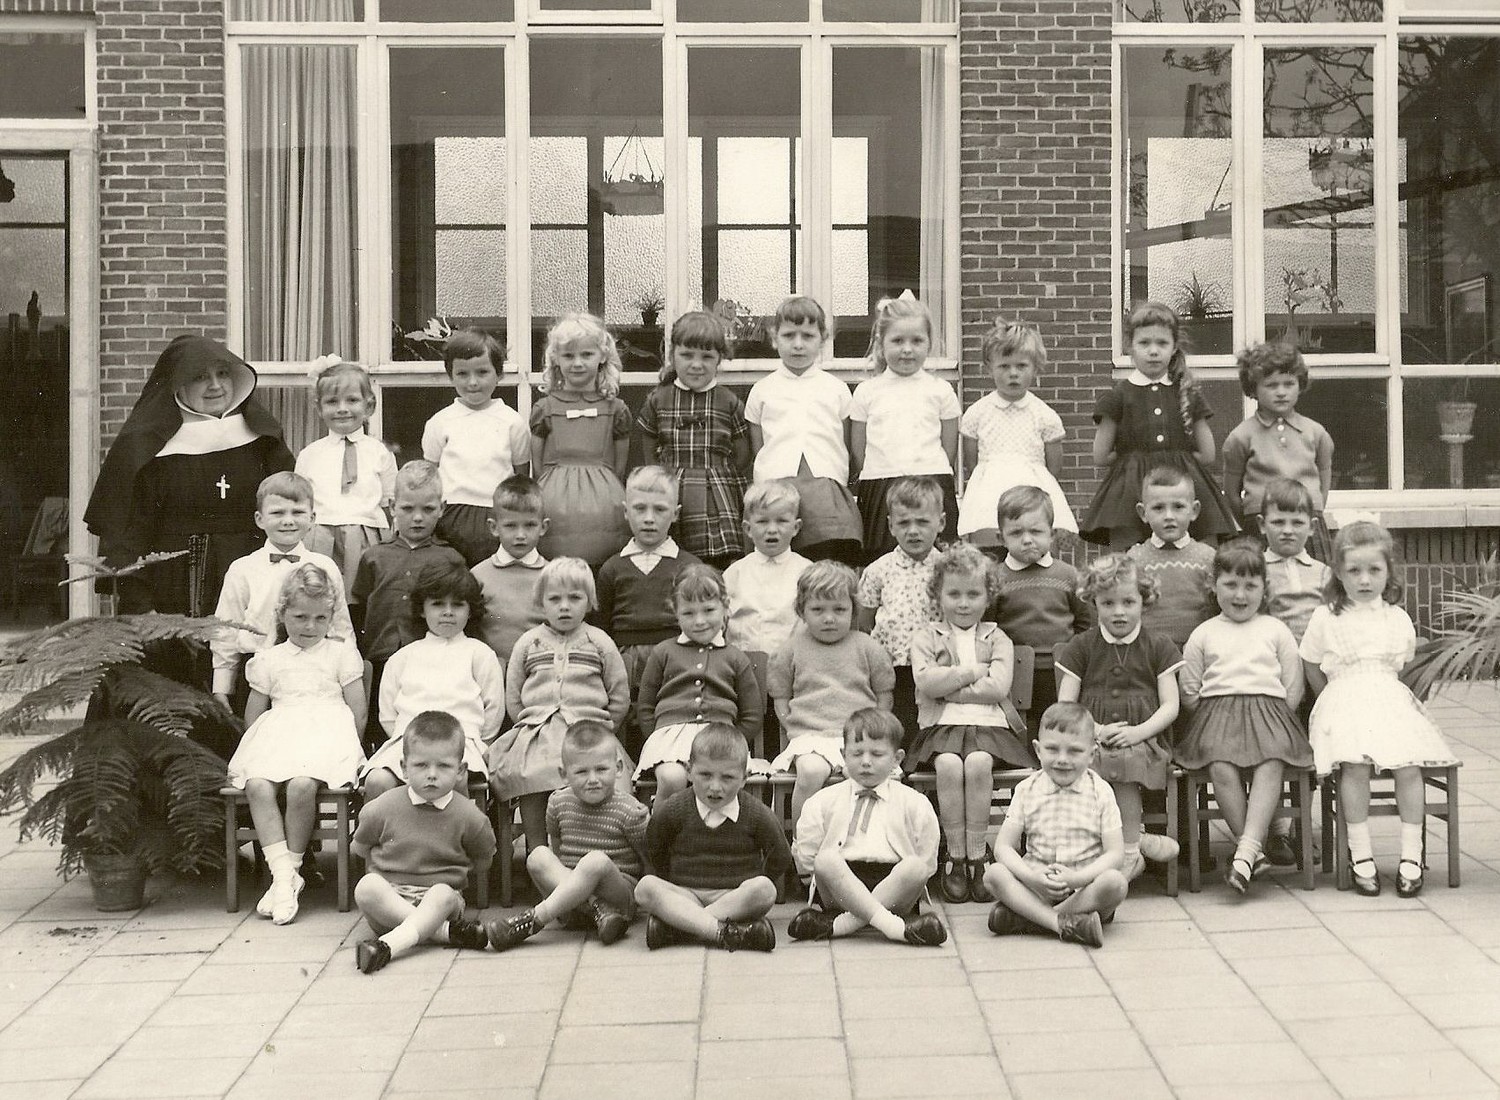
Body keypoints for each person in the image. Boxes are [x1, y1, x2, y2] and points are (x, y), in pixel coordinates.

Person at [1301, 521, 1458, 898]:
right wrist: (1329, 697)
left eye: (1374, 570)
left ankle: (1411, 856)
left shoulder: (1396, 617)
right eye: (1354, 570)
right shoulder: (1326, 617)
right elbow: (1309, 662)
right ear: (1338, 573)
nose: (1364, 579)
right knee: (1355, 765)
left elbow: (1401, 665)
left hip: (1387, 700)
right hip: (1343, 702)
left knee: (1408, 766)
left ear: (1388, 571)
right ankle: (1361, 855)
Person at [85, 335, 293, 617]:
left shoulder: (263, 440)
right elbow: (128, 535)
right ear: (178, 385)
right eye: (200, 377)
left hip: (252, 584)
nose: (216, 385)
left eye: (222, 374)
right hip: (172, 588)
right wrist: (140, 605)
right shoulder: (146, 448)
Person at [226, 564, 367, 925]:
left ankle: (288, 874)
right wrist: (256, 751)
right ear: (282, 613)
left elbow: (358, 710)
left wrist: (348, 752)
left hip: (327, 732)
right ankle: (284, 877)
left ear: (330, 618)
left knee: (302, 785)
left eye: (320, 618)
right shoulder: (268, 659)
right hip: (280, 731)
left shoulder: (340, 654)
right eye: (300, 617)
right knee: (258, 785)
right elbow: (254, 714)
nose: (310, 626)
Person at [1175, 539, 1311, 894]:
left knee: (1272, 761)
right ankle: (1251, 852)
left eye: (1250, 585)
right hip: (1217, 714)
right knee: (1219, 764)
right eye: (1230, 584)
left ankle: (1246, 852)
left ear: (1264, 589)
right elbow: (1189, 688)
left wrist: (1277, 717)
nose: (1240, 594)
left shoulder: (1275, 629)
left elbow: (1293, 684)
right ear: (1214, 585)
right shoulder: (1204, 632)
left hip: (1269, 712)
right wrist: (1211, 716)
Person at [910, 541, 1032, 904]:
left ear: (988, 596)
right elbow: (926, 682)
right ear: (938, 595)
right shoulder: (926, 637)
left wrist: (949, 687)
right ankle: (955, 856)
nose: (963, 603)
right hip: (941, 729)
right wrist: (974, 671)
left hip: (990, 728)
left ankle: (978, 855)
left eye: (973, 594)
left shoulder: (998, 638)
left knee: (978, 763)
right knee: (948, 765)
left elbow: (998, 688)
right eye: (954, 594)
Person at [1055, 554, 1183, 883]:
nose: (1119, 612)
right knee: (1085, 765)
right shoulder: (1082, 646)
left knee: (1124, 760)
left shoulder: (1159, 645)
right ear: (1093, 602)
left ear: (1144, 600)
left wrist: (1139, 732)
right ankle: (1134, 841)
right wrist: (1096, 730)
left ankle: (1128, 854)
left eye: (1128, 602)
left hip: (1145, 739)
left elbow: (1170, 705)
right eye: (1108, 603)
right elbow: (1066, 703)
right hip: (1091, 736)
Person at [492, 557, 630, 854]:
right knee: (531, 775)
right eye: (554, 599)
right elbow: (514, 694)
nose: (564, 607)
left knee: (593, 776)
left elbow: (618, 693)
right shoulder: (529, 642)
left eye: (575, 598)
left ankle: (582, 851)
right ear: (541, 603)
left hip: (588, 730)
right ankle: (537, 850)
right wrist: (530, 724)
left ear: (590, 602)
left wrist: (604, 729)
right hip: (538, 731)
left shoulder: (598, 641)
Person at [1079, 301, 1237, 550]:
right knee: (1128, 555)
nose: (1153, 351)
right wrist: (1134, 460)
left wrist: (1154, 458)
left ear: (1174, 348)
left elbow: (1208, 454)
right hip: (1131, 492)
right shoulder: (1116, 397)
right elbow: (1100, 455)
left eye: (1162, 343)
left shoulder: (1188, 393)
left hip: (1182, 485)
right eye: (1144, 343)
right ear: (1130, 347)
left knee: (1202, 550)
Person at [351, 711, 495, 974]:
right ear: (404, 767)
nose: (432, 775)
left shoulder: (470, 816)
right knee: (366, 886)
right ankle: (445, 933)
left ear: (461, 770)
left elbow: (483, 860)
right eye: (421, 766)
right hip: (389, 903)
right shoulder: (381, 808)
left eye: (444, 766)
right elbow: (360, 849)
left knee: (442, 893)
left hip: (439, 904)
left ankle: (391, 944)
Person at [788, 709, 947, 946]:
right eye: (856, 753)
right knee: (825, 860)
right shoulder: (823, 800)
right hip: (841, 886)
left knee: (916, 867)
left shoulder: (915, 802)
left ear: (897, 759)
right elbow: (808, 854)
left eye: (877, 754)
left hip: (895, 886)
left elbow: (928, 854)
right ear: (843, 755)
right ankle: (894, 927)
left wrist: (912, 873)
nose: (865, 761)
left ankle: (840, 925)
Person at [485, 721, 649, 949]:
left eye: (601, 769)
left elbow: (648, 861)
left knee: (595, 861)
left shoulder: (631, 811)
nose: (593, 779)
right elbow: (559, 850)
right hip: (572, 905)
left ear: (618, 767)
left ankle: (535, 919)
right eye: (581, 771)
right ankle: (595, 908)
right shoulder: (558, 803)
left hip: (619, 902)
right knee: (538, 855)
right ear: (563, 774)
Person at [982, 702, 1129, 947]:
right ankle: (1061, 923)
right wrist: (1032, 878)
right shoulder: (1027, 789)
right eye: (1052, 749)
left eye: (1074, 751)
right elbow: (1003, 847)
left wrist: (1078, 878)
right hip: (1036, 886)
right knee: (993, 874)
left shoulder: (1101, 791)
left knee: (1115, 883)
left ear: (1092, 754)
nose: (1062, 759)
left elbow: (1115, 854)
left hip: (1084, 890)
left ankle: (1029, 918)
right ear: (1038, 750)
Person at [634, 725, 793, 952]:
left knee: (765, 889)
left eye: (727, 777)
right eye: (705, 775)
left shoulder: (755, 813)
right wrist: (669, 880)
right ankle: (721, 931)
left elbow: (781, 854)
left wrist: (754, 881)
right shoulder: (674, 809)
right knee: (645, 887)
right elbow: (653, 845)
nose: (715, 787)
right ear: (689, 771)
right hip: (686, 894)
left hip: (734, 897)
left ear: (744, 778)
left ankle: (681, 926)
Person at [210, 471, 354, 713]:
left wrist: (348, 677)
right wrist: (222, 686)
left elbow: (341, 628)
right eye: (277, 513)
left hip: (311, 670)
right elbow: (225, 629)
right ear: (259, 519)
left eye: (297, 512)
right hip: (255, 668)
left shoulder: (326, 566)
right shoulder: (242, 569)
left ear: (312, 518)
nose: (288, 521)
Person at [348, 461, 468, 750]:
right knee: (381, 728)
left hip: (429, 661)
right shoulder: (374, 557)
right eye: (407, 508)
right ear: (392, 506)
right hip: (380, 657)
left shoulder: (450, 559)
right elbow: (359, 607)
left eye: (427, 509)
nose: (417, 518)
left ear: (442, 508)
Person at [768, 561, 896, 831]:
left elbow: (884, 693)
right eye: (818, 610)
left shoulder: (867, 647)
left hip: (859, 737)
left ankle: (862, 838)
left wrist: (876, 726)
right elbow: (780, 695)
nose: (829, 618)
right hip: (811, 737)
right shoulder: (791, 649)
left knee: (862, 773)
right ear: (802, 611)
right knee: (811, 772)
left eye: (839, 610)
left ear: (853, 610)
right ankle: (803, 840)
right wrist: (792, 724)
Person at [361, 562, 503, 801]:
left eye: (457, 605)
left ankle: (456, 827)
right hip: (409, 743)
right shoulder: (403, 657)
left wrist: (475, 743)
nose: (448, 612)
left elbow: (493, 710)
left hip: (462, 743)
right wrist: (411, 741)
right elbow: (388, 713)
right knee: (377, 780)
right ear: (421, 609)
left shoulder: (479, 654)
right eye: (437, 604)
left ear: (470, 610)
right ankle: (390, 827)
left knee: (456, 777)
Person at [594, 466, 704, 757]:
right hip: (625, 659)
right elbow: (603, 623)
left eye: (660, 509)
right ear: (626, 511)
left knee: (671, 717)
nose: (649, 518)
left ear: (675, 514)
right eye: (640, 508)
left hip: (675, 657)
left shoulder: (689, 566)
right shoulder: (612, 568)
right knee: (627, 721)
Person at [744, 295, 862, 564]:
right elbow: (758, 447)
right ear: (774, 338)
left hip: (825, 490)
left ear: (823, 339)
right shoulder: (762, 390)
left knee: (825, 561)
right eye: (789, 335)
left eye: (808, 336)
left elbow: (845, 443)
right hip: (775, 489)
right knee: (779, 560)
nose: (798, 344)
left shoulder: (836, 389)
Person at [635, 564, 764, 809]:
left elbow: (752, 714)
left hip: (721, 741)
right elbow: (646, 706)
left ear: (725, 606)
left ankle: (717, 831)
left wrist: (731, 741)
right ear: (675, 612)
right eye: (689, 613)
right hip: (670, 741)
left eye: (709, 610)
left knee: (721, 781)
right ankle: (660, 831)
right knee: (672, 778)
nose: (700, 621)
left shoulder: (735, 658)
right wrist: (658, 736)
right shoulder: (663, 652)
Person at [635, 310, 752, 572]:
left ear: (719, 358)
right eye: (687, 355)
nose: (696, 365)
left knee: (719, 564)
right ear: (672, 355)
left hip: (717, 492)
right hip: (672, 489)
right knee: (674, 559)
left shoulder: (728, 401)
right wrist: (662, 478)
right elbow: (648, 445)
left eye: (706, 357)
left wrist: (720, 475)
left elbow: (743, 453)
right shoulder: (659, 399)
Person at [850, 294, 960, 559]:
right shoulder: (867, 391)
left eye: (917, 341)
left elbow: (949, 447)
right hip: (881, 483)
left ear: (929, 343)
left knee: (938, 560)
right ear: (881, 343)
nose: (907, 349)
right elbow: (858, 449)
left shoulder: (941, 390)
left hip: (931, 478)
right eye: (897, 341)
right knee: (882, 558)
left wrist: (927, 471)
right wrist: (884, 470)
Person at [1258, 476, 1331, 867]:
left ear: (1312, 527)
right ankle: (1276, 831)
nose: (1287, 530)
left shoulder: (1323, 573)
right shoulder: (1256, 569)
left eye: (1296, 522)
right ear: (1262, 524)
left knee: (1309, 751)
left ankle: (1303, 827)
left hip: (1314, 673)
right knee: (1274, 750)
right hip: (1273, 674)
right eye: (1278, 521)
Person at [957, 319, 1075, 546]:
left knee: (1032, 543)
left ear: (1035, 367)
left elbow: (1054, 466)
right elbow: (971, 462)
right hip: (989, 494)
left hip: (1032, 492)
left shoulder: (1044, 415)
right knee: (990, 548)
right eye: (1004, 366)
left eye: (1021, 366)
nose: (1013, 373)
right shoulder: (977, 413)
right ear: (989, 368)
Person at [422, 328, 531, 567]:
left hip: (496, 515)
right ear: (450, 376)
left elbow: (520, 478)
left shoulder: (512, 422)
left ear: (499, 374)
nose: (472, 382)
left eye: (482, 372)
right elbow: (429, 477)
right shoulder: (440, 422)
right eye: (462, 374)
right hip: (449, 516)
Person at [530, 313, 633, 568]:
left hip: (604, 508)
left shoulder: (616, 409)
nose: (577, 363)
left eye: (586, 354)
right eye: (568, 356)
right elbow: (538, 467)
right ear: (556, 359)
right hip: (555, 510)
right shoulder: (545, 408)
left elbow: (619, 468)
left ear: (602, 356)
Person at [987, 485, 1092, 733]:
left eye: (1036, 531)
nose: (1027, 540)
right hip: (1013, 670)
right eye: (1016, 533)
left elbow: (1085, 623)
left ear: (1051, 534)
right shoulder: (995, 579)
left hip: (1063, 669)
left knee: (1061, 725)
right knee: (1021, 730)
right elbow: (989, 628)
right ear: (1001, 538)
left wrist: (1076, 657)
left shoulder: (1068, 575)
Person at [1222, 341, 1334, 560]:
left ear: (1300, 385)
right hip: (1262, 525)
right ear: (1253, 389)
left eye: (1289, 384)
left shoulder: (1315, 432)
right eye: (1271, 385)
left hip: (1305, 524)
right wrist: (1252, 521)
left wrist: (1313, 510)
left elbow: (1323, 477)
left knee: (1315, 577)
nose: (1281, 392)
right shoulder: (1241, 436)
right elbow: (1232, 494)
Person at [855, 476, 946, 738]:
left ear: (940, 523)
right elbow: (865, 620)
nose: (913, 531)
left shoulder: (948, 568)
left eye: (922, 522)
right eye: (904, 523)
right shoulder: (878, 570)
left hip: (936, 666)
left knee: (930, 731)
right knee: (897, 728)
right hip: (892, 667)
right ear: (891, 526)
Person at [295, 358, 397, 586]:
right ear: (319, 408)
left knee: (363, 594)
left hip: (367, 536)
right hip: (321, 536)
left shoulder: (380, 452)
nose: (342, 409)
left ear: (369, 406)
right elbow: (301, 502)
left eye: (352, 400)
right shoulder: (309, 454)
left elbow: (390, 502)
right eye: (332, 401)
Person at [1126, 466, 1217, 648]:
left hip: (1197, 649)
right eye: (1158, 508)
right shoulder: (1134, 559)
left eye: (1178, 507)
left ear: (1194, 510)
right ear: (1143, 513)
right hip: (1148, 650)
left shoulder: (1208, 557)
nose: (1169, 516)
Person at [470, 474, 549, 672]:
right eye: (510, 526)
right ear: (493, 527)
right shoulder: (477, 576)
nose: (520, 535)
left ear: (543, 527)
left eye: (530, 525)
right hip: (491, 673)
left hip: (541, 673)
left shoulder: (553, 576)